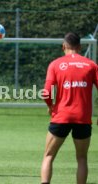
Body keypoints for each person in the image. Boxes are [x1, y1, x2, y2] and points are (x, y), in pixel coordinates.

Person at [41, 32, 98, 184]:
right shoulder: (91, 65)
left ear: (63, 46)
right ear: (79, 47)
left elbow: (46, 93)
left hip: (61, 116)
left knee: (48, 156)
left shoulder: (55, 64)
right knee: (82, 158)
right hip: (83, 118)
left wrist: (51, 106)